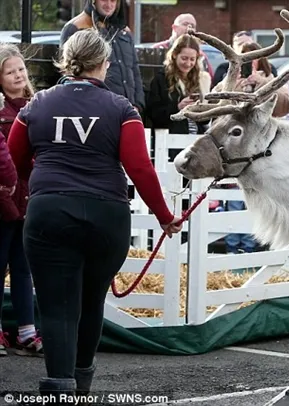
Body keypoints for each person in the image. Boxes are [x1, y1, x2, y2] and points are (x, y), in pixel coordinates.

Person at [7, 29, 182, 398]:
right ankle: (82, 381)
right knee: (91, 301)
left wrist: (38, 184)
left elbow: (14, 158)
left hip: (50, 211)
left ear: (65, 61)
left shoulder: (35, 105)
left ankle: (59, 387)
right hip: (107, 215)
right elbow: (140, 168)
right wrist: (165, 216)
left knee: (56, 305)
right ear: (105, 63)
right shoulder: (122, 108)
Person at [212, 41, 289, 254]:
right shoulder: (228, 79)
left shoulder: (270, 79)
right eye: (245, 58)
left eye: (253, 58)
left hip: (263, 152)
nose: (249, 63)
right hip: (236, 150)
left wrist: (264, 84)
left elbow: (284, 105)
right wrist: (232, 88)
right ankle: (232, 249)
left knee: (261, 200)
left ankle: (251, 248)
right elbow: (213, 107)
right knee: (235, 201)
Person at [0, 43, 43, 358]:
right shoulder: (1, 111)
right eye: (9, 71)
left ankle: (27, 330)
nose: (17, 75)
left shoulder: (35, 105)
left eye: (20, 69)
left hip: (29, 195)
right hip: (4, 197)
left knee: (24, 267)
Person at [60, 0, 145, 114]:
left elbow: (134, 70)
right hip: (93, 110)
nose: (109, 4)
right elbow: (67, 72)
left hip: (127, 109)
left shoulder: (124, 31)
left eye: (113, 0)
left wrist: (138, 105)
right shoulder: (76, 27)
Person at [147, 33, 212, 137]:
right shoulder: (161, 79)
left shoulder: (201, 80)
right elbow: (154, 115)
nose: (188, 63)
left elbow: (205, 121)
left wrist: (201, 109)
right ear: (174, 55)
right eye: (184, 58)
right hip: (170, 139)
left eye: (192, 59)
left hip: (196, 140)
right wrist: (178, 107)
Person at [152, 13, 213, 78]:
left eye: (192, 26)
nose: (189, 28)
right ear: (174, 27)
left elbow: (210, 80)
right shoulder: (157, 49)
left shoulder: (200, 55)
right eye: (185, 24)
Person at [211, 30, 278, 89]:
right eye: (240, 44)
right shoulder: (224, 68)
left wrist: (261, 81)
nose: (245, 46)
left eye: (248, 43)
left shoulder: (269, 70)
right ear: (233, 48)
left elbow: (279, 91)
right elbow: (215, 93)